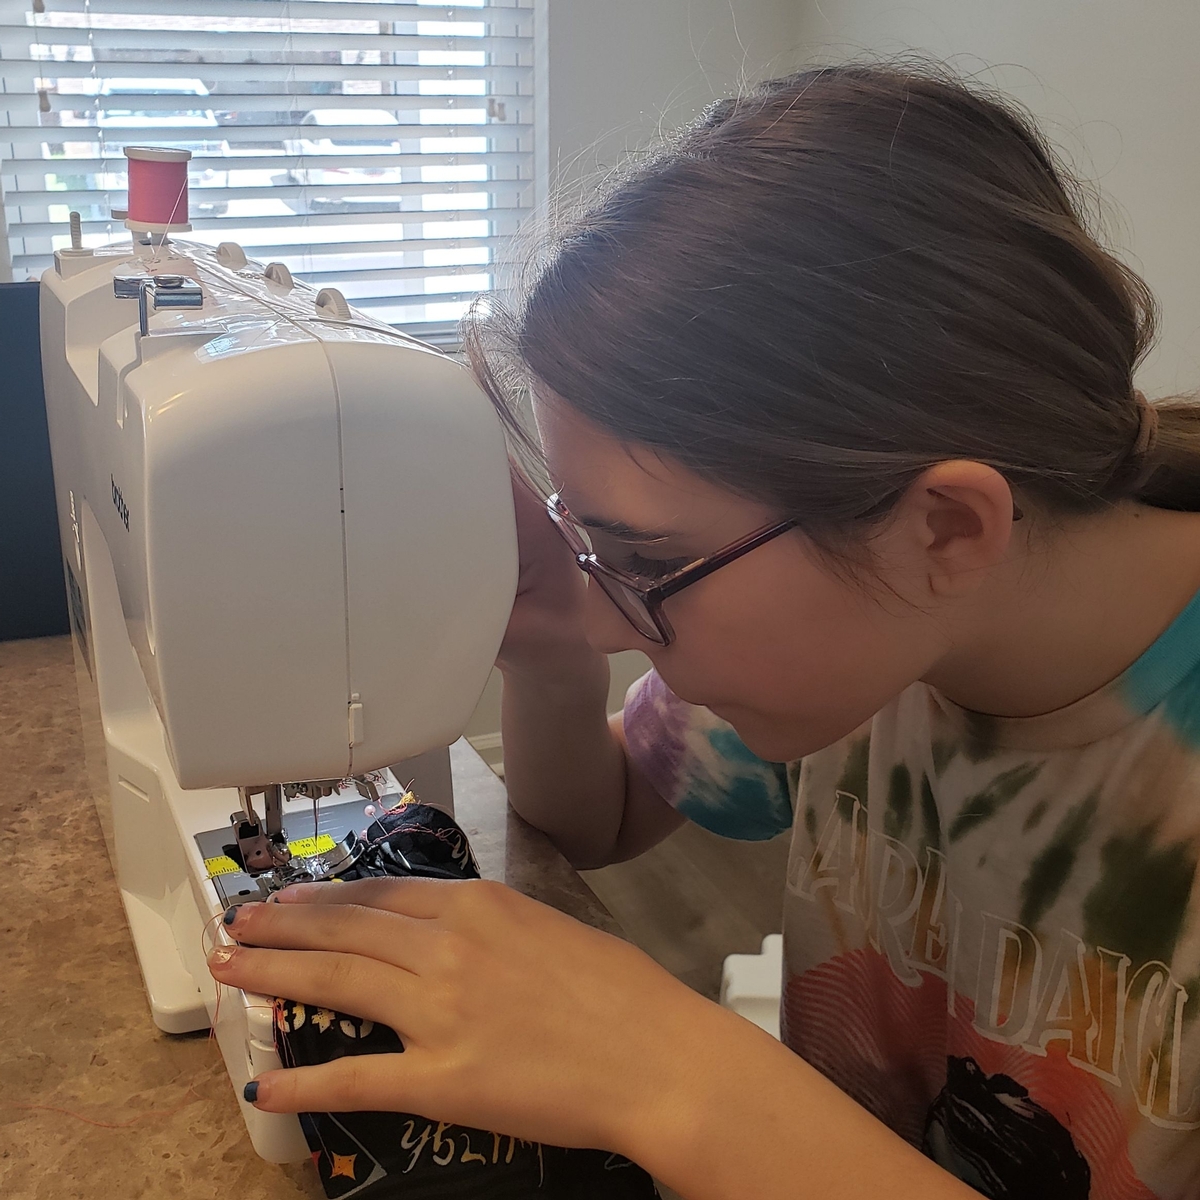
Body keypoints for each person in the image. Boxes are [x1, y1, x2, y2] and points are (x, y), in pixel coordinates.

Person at [208, 63, 1200, 1199]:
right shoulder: (874, 642)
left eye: (647, 564)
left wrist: (675, 1074)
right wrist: (551, 653)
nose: (607, 613)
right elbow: (602, 812)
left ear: (945, 529)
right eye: (597, 550)